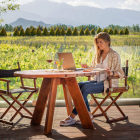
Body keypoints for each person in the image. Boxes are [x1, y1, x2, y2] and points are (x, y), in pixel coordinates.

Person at [60, 32, 124, 126]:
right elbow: (93, 68)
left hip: (108, 83)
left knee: (85, 88)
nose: (98, 44)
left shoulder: (114, 55)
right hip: (96, 81)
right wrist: (86, 67)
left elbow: (121, 73)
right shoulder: (98, 54)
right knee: (77, 86)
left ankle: (76, 117)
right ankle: (87, 115)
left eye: (100, 42)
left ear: (107, 42)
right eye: (97, 42)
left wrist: (112, 73)